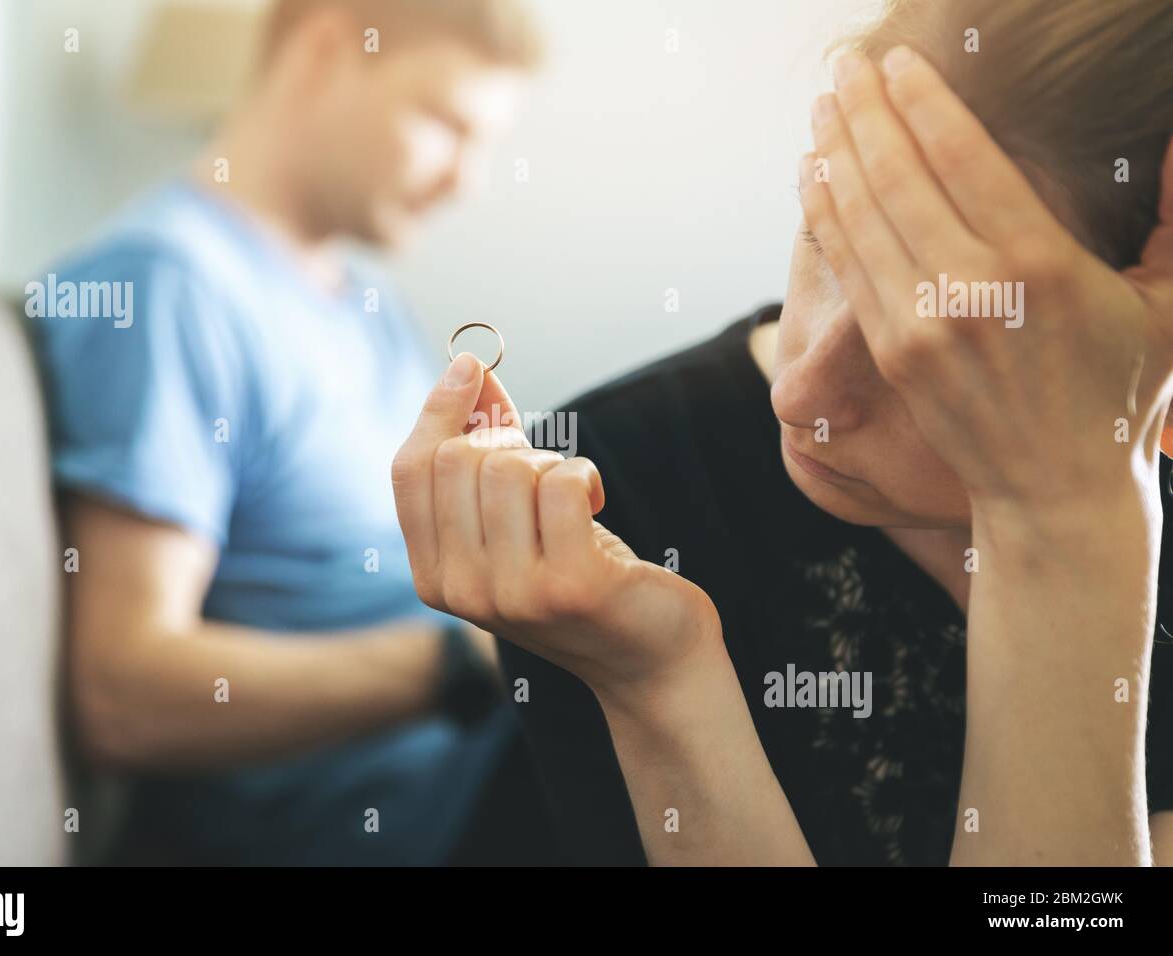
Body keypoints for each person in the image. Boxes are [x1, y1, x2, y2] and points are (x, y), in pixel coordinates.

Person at [390, 0, 1173, 864]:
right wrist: (657, 689)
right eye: (824, 239)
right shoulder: (618, 491)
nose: (800, 397)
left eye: (942, 345)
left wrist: (1072, 521)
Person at [33, 0, 551, 865]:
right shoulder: (165, 286)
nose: (467, 180)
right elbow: (119, 691)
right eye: (444, 122)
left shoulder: (361, 302)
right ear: (323, 48)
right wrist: (464, 663)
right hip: (415, 822)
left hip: (489, 769)